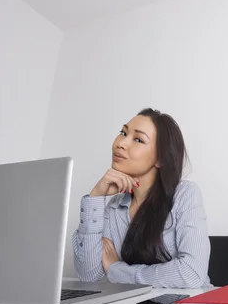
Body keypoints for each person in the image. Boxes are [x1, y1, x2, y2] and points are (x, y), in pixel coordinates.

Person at [72, 108, 211, 288]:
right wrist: (95, 197)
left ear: (160, 159)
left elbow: (191, 274)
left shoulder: (185, 194)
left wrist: (116, 269)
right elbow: (88, 276)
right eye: (123, 133)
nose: (121, 143)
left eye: (138, 139)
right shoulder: (114, 207)